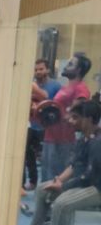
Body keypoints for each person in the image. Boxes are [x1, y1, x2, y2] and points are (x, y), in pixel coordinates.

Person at [30, 99, 101, 225]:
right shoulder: (83, 139)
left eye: (75, 118)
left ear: (88, 119)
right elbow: (73, 166)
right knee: (42, 189)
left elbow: (89, 176)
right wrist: (58, 181)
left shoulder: (97, 142)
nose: (70, 121)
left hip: (97, 187)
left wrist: (63, 186)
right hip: (86, 182)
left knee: (62, 204)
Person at [39, 52, 91, 182]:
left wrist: (58, 115)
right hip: (51, 137)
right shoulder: (65, 88)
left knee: (56, 180)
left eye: (70, 64)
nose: (66, 66)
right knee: (46, 178)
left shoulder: (80, 89)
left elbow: (77, 115)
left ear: (78, 70)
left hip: (64, 141)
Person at [24, 58, 61, 190]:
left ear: (48, 70)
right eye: (36, 70)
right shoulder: (30, 84)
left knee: (47, 157)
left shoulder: (56, 86)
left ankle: (49, 184)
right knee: (28, 155)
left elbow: (57, 106)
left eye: (41, 69)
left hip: (48, 127)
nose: (38, 72)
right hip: (30, 124)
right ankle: (32, 181)